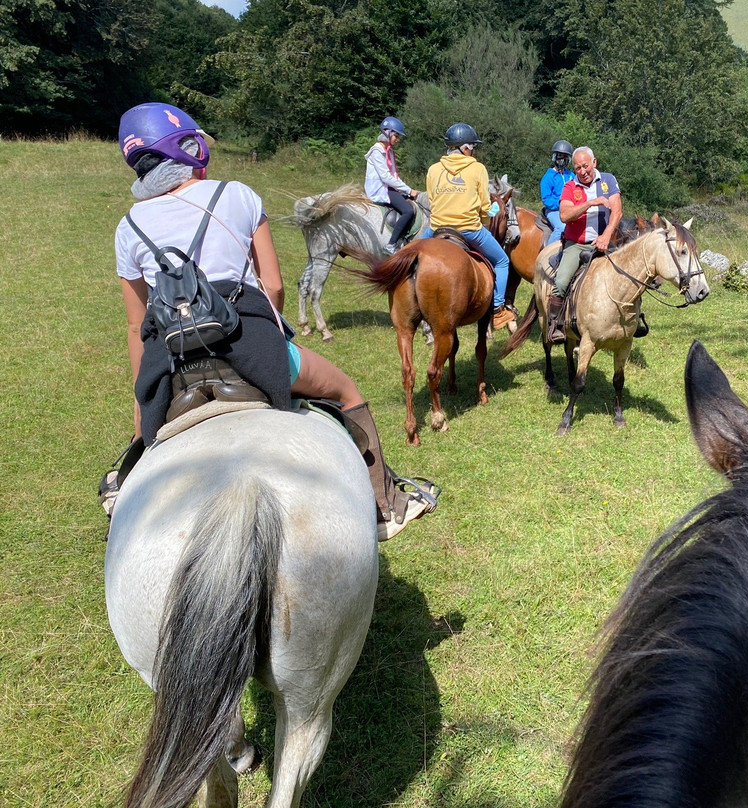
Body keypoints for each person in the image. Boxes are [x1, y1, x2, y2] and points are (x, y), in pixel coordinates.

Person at [104, 102, 438, 540]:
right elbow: (274, 287)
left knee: (140, 454)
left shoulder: (128, 226)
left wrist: (144, 393)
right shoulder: (237, 194)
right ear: (188, 148)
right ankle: (383, 506)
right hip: (248, 343)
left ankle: (123, 500)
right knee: (345, 390)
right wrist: (267, 332)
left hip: (168, 364)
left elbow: (136, 327)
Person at [422, 122, 514, 331]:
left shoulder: (434, 169)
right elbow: (483, 205)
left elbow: (432, 200)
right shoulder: (477, 168)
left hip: (436, 228)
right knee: (502, 261)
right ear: (464, 148)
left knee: (406, 258)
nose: (473, 151)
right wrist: (488, 215)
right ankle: (498, 309)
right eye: (472, 146)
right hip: (468, 229)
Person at [548, 146, 623, 344]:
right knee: (562, 282)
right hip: (577, 244)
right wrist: (590, 203)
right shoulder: (570, 187)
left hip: (604, 242)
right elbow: (564, 215)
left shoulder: (608, 180)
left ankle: (633, 319)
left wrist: (606, 235)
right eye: (578, 167)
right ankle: (554, 325)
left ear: (594, 162)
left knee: (627, 275)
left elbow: (617, 211)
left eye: (586, 166)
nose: (583, 171)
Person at [365, 116, 418, 254]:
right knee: (408, 211)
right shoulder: (377, 151)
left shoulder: (389, 150)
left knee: (411, 201)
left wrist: (406, 191)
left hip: (389, 187)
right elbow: (385, 177)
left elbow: (394, 174)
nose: (398, 139)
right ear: (387, 132)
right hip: (380, 189)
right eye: (396, 136)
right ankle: (391, 244)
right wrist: (409, 190)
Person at [540, 140, 573, 246]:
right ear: (555, 157)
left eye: (565, 157)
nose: (562, 160)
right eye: (559, 156)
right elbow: (546, 199)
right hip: (554, 210)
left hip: (571, 208)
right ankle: (548, 252)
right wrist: (562, 204)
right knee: (561, 227)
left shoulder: (571, 176)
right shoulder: (548, 177)